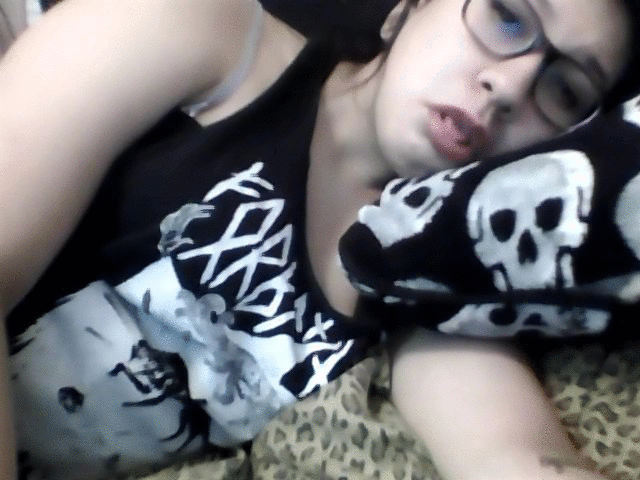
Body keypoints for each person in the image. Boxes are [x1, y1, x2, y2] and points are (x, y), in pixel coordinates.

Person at [0, 0, 636, 478]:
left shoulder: (438, 275)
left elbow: (515, 458)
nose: (512, 86)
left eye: (565, 89)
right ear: (407, 9)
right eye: (507, 16)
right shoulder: (204, 33)